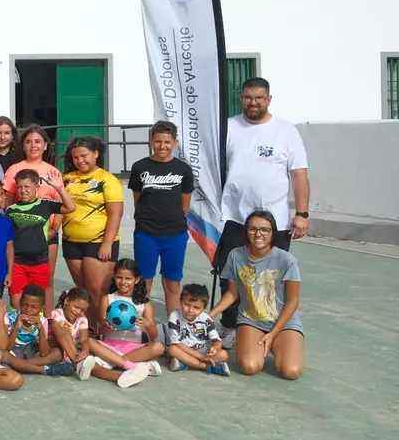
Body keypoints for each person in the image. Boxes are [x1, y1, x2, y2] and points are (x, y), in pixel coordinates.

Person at [216, 78, 310, 344]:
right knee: (231, 274)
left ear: (269, 100)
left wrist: (302, 214)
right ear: (241, 99)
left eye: (259, 98)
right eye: (248, 97)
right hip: (233, 217)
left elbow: (299, 174)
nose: (253, 102)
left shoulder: (286, 130)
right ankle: (231, 325)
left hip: (275, 221)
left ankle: (273, 328)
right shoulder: (228, 127)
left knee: (272, 277)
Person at [209, 209, 304, 380]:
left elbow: (293, 301)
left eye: (264, 230)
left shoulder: (286, 260)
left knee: (291, 371)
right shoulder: (235, 255)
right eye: (252, 229)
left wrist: (273, 333)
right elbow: (232, 293)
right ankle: (261, 345)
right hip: (251, 320)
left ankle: (279, 343)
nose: (258, 234)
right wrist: (210, 314)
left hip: (283, 323)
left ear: (273, 233)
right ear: (246, 231)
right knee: (250, 366)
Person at [128, 121, 195, 317]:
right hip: (146, 235)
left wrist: (171, 221)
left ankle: (174, 326)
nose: (162, 146)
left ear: (175, 143)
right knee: (143, 283)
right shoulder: (139, 167)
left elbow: (185, 204)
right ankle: (142, 326)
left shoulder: (183, 169)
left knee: (173, 284)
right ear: (150, 141)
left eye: (167, 142)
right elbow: (138, 200)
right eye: (158, 141)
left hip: (175, 236)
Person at [61, 136, 125, 330]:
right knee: (82, 293)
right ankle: (87, 331)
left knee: (98, 291)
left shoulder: (107, 179)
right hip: (71, 242)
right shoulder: (67, 178)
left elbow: (116, 214)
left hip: (98, 243)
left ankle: (103, 332)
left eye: (84, 156)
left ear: (96, 154)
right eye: (76, 157)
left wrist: (107, 243)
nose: (80, 161)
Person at [50, 287, 151, 388]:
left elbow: (84, 339)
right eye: (76, 307)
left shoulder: (82, 319)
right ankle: (77, 364)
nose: (78, 312)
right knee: (66, 331)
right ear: (67, 301)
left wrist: (84, 352)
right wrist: (75, 359)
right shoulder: (56, 314)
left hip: (76, 352)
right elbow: (60, 336)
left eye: (82, 310)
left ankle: (121, 378)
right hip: (59, 349)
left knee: (94, 367)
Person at [5, 169, 74, 311]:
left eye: (27, 187)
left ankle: (38, 325)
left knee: (35, 304)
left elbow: (70, 207)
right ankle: (18, 325)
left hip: (40, 263)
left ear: (37, 187)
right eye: (19, 187)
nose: (23, 190)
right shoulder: (11, 210)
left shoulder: (45, 204)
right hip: (17, 263)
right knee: (16, 303)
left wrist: (59, 188)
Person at [98, 259, 165, 370]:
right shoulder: (107, 299)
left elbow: (154, 335)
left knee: (159, 347)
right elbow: (100, 330)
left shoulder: (144, 304)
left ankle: (113, 362)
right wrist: (106, 324)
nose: (123, 282)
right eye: (119, 277)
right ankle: (134, 364)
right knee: (89, 342)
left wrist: (147, 324)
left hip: (134, 349)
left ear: (137, 280)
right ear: (114, 277)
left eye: (128, 278)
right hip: (110, 346)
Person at [0, 284, 72, 377]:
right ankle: (44, 369)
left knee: (57, 353)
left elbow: (44, 353)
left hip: (30, 351)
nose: (28, 310)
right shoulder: (10, 317)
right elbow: (6, 348)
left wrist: (41, 329)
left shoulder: (43, 321)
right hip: (13, 350)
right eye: (25, 305)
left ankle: (20, 365)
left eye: (34, 307)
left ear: (42, 308)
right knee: (3, 355)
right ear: (20, 302)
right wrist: (16, 327)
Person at [165, 283, 230, 376]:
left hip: (202, 350)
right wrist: (201, 357)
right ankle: (208, 367)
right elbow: (177, 343)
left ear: (204, 308)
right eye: (187, 304)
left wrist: (215, 348)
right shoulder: (174, 316)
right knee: (172, 350)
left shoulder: (206, 319)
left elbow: (217, 341)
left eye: (196, 307)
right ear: (180, 301)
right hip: (183, 350)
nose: (190, 310)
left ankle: (184, 364)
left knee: (223, 354)